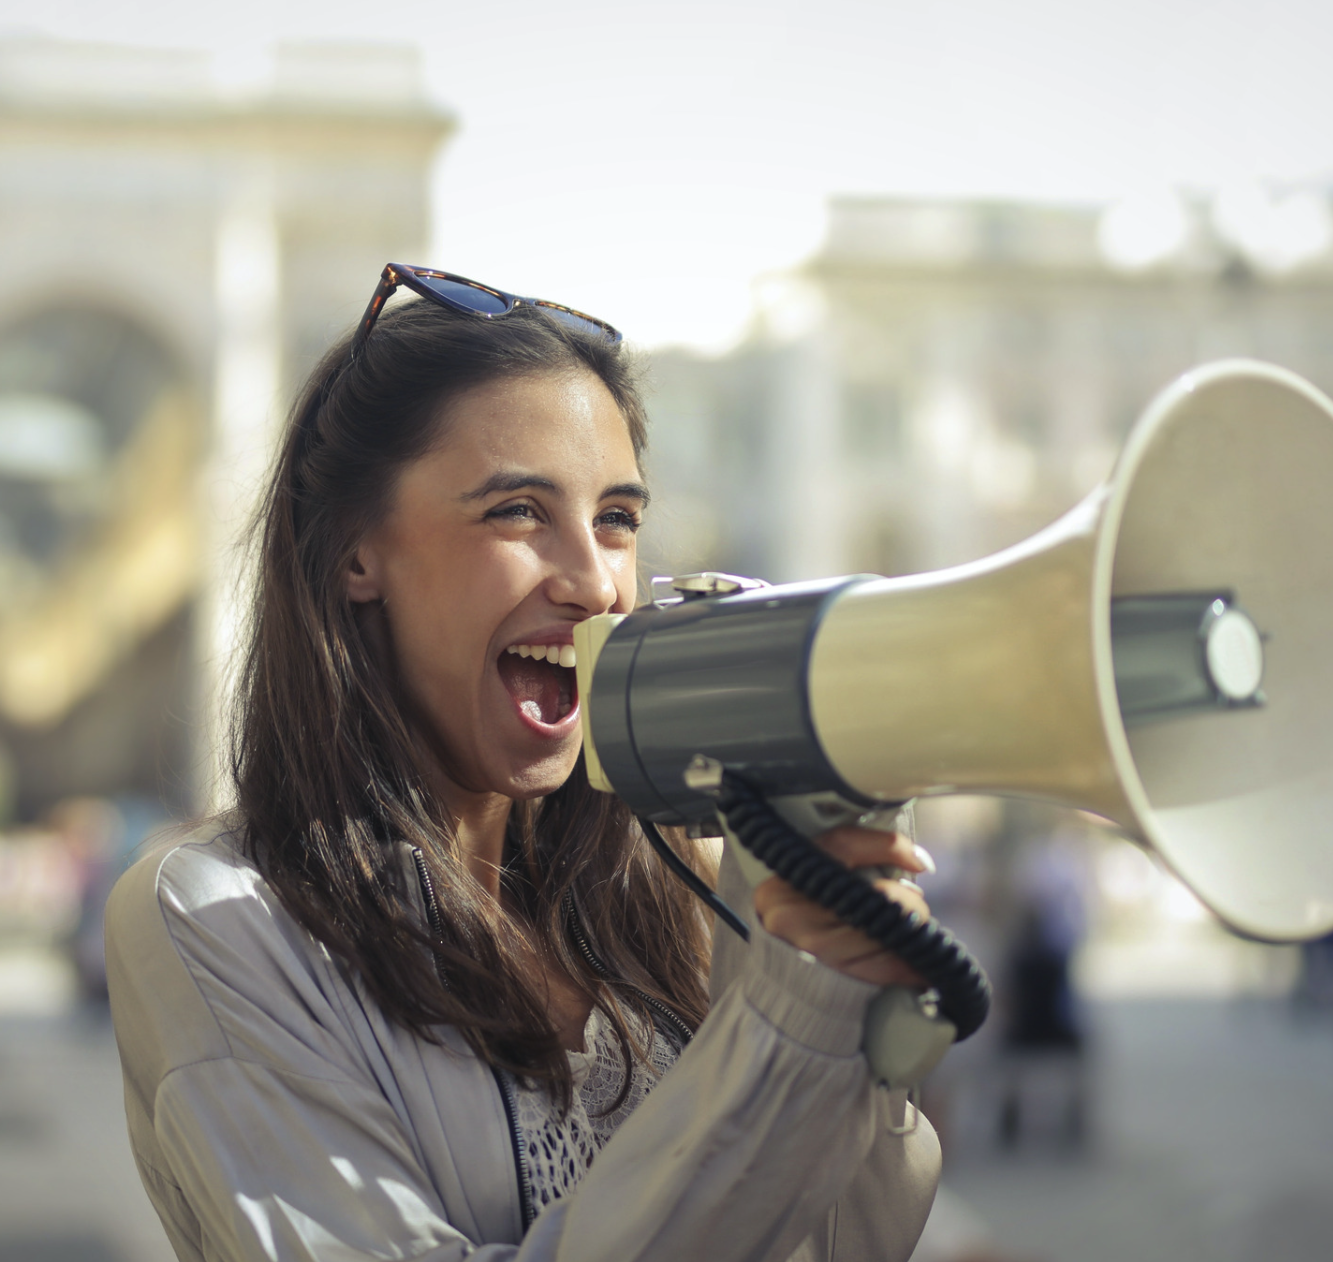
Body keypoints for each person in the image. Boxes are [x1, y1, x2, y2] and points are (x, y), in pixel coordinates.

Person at [103, 265, 941, 1261]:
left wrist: (855, 1014)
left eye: (618, 519)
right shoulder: (213, 915)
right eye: (517, 512)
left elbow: (850, 1242)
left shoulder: (686, 886)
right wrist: (786, 1033)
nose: (595, 581)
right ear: (354, 553)